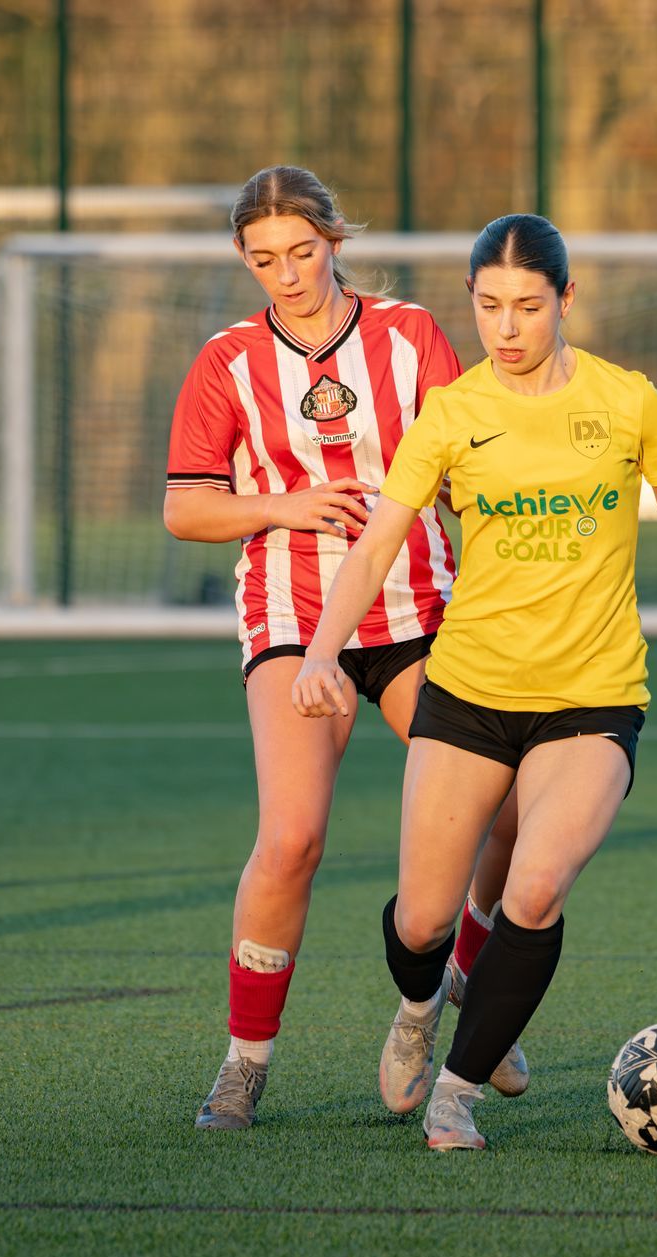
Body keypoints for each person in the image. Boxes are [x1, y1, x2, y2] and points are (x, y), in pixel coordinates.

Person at [290, 213, 657, 1151]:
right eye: (488, 306)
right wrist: (319, 651)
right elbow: (379, 539)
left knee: (535, 888)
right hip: (468, 695)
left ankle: (457, 1094)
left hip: (593, 696)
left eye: (527, 307)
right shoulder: (454, 414)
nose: (506, 327)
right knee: (424, 919)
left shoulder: (626, 401)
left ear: (566, 301)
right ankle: (422, 1009)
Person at [165, 166, 525, 1130]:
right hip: (292, 620)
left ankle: (460, 979)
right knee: (291, 840)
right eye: (263, 258)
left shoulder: (409, 336)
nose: (286, 274)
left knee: (509, 811)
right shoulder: (226, 362)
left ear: (335, 242)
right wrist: (287, 504)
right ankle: (244, 1065)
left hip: (418, 613)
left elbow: (468, 471)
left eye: (302, 252)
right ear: (245, 259)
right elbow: (184, 507)